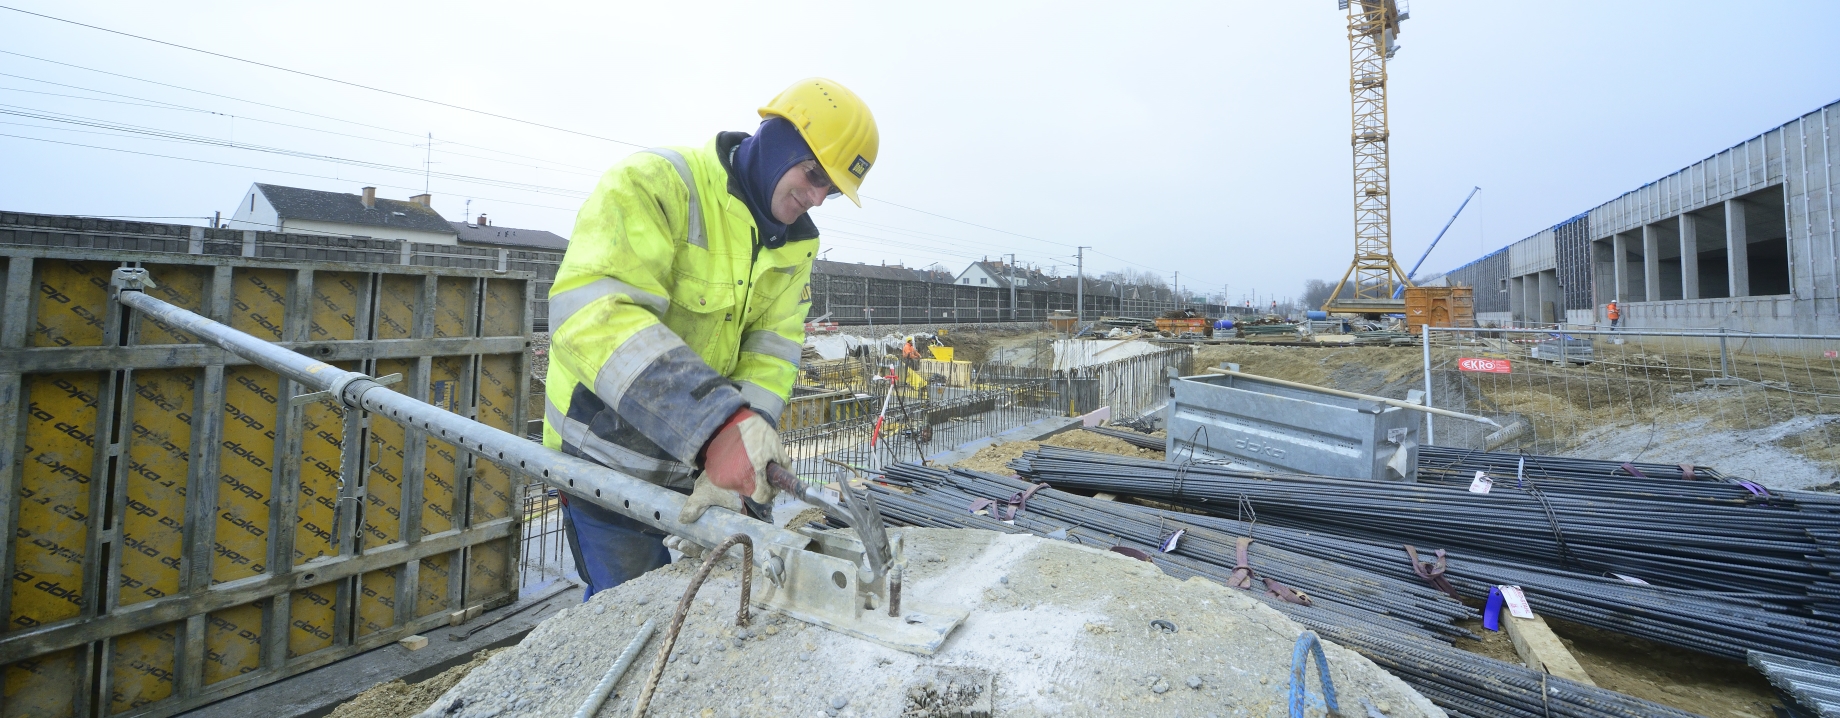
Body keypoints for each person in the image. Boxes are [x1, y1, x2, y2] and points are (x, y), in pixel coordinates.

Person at [541, 78, 878, 598]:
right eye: (813, 174)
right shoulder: (657, 182)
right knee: (626, 606)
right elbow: (593, 316)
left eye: (830, 189)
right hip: (608, 453)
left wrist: (748, 439)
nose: (816, 197)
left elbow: (772, 351)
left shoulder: (795, 247)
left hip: (698, 460)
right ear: (778, 140)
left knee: (706, 605)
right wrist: (719, 425)